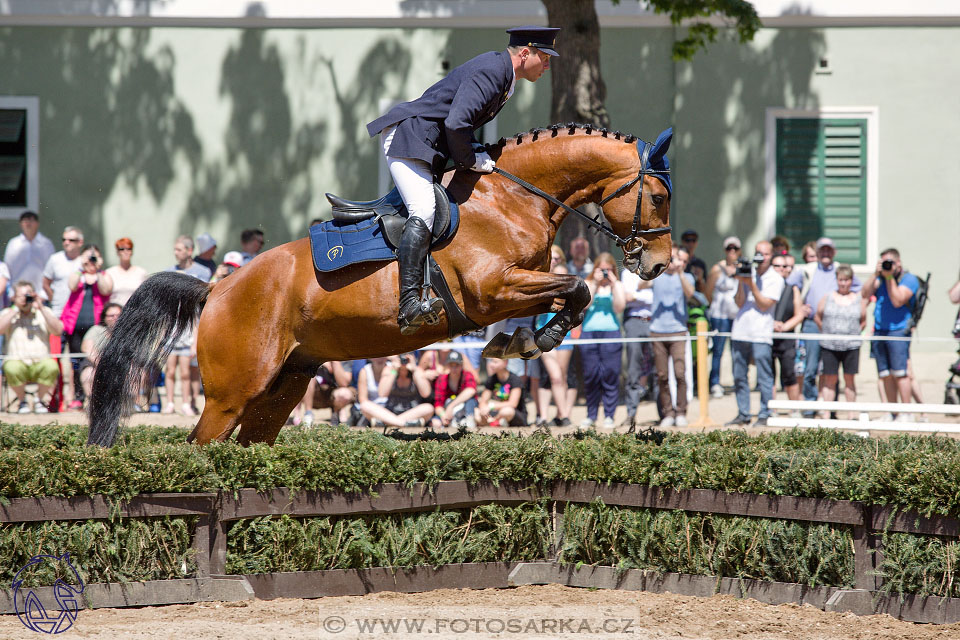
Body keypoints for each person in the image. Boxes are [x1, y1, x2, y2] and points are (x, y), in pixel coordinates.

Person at [366, 26, 559, 335]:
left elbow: (460, 124)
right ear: (525, 53)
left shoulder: (504, 77)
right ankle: (408, 304)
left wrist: (475, 152)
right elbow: (457, 123)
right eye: (545, 57)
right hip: (411, 141)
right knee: (424, 211)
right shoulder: (494, 71)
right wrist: (471, 159)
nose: (548, 65)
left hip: (429, 146)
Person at [790, 237, 861, 415]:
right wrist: (800, 307)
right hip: (813, 325)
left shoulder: (840, 270)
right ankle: (810, 409)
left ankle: (832, 411)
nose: (826, 253)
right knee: (810, 369)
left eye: (829, 250)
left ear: (834, 252)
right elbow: (791, 284)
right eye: (823, 250)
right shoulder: (808, 270)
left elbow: (861, 290)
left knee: (832, 373)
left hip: (838, 331)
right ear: (818, 252)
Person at [727, 241, 784, 426]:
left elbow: (765, 304)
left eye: (766, 254)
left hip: (761, 333)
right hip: (740, 331)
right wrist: (740, 281)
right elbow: (739, 303)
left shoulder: (776, 278)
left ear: (771, 256)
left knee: (764, 376)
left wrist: (750, 283)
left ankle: (764, 413)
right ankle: (743, 413)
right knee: (739, 375)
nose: (762, 257)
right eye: (759, 253)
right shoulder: (748, 273)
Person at [641, 245, 695, 427]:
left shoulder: (686, 277)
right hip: (657, 331)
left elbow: (691, 294)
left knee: (680, 373)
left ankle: (681, 412)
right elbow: (641, 284)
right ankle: (668, 413)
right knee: (662, 376)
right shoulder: (658, 277)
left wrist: (680, 273)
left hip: (678, 331)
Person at [861, 248, 919, 416]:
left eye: (889, 262)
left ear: (898, 263)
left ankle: (906, 413)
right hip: (880, 331)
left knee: (901, 374)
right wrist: (875, 274)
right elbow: (864, 295)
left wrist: (889, 277)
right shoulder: (879, 277)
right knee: (885, 374)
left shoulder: (909, 279)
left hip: (898, 331)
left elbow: (897, 300)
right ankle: (893, 413)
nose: (886, 266)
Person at [61, 244, 113, 410]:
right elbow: (72, 285)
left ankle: (98, 397)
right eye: (88, 257)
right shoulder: (78, 274)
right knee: (76, 362)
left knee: (98, 361)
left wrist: (97, 270)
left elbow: (106, 289)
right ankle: (78, 396)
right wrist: (81, 267)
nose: (91, 260)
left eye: (94, 257)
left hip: (96, 329)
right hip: (75, 328)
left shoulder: (103, 275)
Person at [578, 252, 625, 429]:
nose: (605, 273)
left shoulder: (616, 285)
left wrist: (614, 284)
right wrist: (596, 283)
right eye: (601, 269)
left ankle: (609, 416)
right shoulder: (589, 283)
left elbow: (619, 307)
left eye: (608, 269)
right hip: (589, 333)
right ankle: (591, 416)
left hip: (611, 332)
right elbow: (584, 305)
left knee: (610, 375)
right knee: (591, 376)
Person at [0, 282, 63, 413]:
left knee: (51, 366)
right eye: (21, 296)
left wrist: (41, 307)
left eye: (27, 295)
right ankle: (22, 401)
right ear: (14, 297)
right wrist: (16, 309)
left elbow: (58, 330)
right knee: (11, 367)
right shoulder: (8, 312)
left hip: (40, 361)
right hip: (17, 361)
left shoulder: (43, 312)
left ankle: (39, 401)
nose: (24, 299)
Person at [815, 264, 866, 417]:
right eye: (841, 280)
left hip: (851, 346)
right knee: (830, 379)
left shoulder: (858, 299)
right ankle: (827, 414)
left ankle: (851, 414)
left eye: (847, 280)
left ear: (851, 281)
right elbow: (818, 316)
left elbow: (863, 321)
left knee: (849, 380)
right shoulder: (828, 297)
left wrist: (852, 333)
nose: (844, 283)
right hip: (829, 346)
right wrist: (826, 330)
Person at [533, 263, 574, 427]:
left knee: (562, 377)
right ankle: (564, 416)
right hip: (544, 335)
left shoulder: (571, 296)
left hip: (566, 336)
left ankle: (559, 415)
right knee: (555, 376)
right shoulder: (545, 293)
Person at [620, 254, 655, 428]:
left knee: (660, 370)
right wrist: (645, 285)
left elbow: (638, 296)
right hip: (634, 321)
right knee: (633, 369)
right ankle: (631, 414)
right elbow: (628, 297)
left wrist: (638, 292)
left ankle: (666, 414)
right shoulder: (627, 273)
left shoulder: (657, 270)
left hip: (655, 321)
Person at [704, 236, 741, 399]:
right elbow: (707, 292)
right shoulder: (717, 268)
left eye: (735, 248)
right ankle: (715, 382)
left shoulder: (742, 268)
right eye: (729, 248)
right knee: (718, 351)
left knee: (737, 351)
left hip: (737, 316)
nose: (732, 252)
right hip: (720, 316)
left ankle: (738, 381)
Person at [357, 355, 435, 429]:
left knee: (429, 408)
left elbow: (426, 393)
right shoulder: (390, 369)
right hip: (390, 412)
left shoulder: (417, 370)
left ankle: (388, 423)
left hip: (412, 413)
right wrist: (394, 371)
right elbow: (382, 393)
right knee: (365, 405)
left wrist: (414, 371)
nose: (403, 361)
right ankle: (403, 424)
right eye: (401, 358)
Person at [770, 253, 805, 405]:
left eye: (784, 266)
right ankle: (771, 409)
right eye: (776, 266)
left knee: (790, 374)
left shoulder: (793, 289)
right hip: (767, 336)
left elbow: (799, 314)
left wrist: (784, 327)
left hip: (786, 338)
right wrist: (770, 324)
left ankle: (794, 409)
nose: (781, 269)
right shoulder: (764, 287)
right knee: (769, 375)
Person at [78, 302, 122, 403]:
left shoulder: (127, 333)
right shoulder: (96, 330)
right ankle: (94, 403)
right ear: (104, 317)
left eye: (118, 315)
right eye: (111, 315)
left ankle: (129, 404)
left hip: (120, 365)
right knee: (88, 373)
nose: (115, 318)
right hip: (96, 364)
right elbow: (86, 349)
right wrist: (103, 366)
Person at [3, 211, 54, 296]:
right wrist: (12, 293)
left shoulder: (46, 244)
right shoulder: (13, 243)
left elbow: (51, 269)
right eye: (25, 220)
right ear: (20, 224)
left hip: (40, 294)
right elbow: (8, 268)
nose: (28, 223)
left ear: (37, 223)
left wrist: (44, 294)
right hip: (17, 295)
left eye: (31, 220)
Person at [431, 350, 478, 429]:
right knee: (436, 423)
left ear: (462, 365)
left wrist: (451, 406)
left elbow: (471, 391)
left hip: (466, 410)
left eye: (457, 365)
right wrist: (443, 415)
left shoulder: (467, 375)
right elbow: (438, 404)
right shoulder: (442, 379)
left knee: (471, 401)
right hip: (450, 413)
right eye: (451, 365)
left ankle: (468, 420)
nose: (454, 368)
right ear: (447, 366)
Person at [475, 357, 527, 428]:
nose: (491, 365)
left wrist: (491, 406)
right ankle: (496, 422)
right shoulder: (491, 379)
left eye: (495, 362)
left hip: (515, 414)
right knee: (477, 411)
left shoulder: (515, 380)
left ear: (505, 363)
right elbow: (483, 400)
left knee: (506, 411)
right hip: (497, 412)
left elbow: (513, 404)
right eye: (491, 361)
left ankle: (495, 422)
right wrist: (483, 408)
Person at [105, 237, 147, 305]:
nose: (125, 252)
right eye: (122, 249)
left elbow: (145, 295)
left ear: (132, 251)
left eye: (129, 249)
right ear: (117, 252)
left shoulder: (141, 272)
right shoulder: (109, 272)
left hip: (134, 312)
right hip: (116, 313)